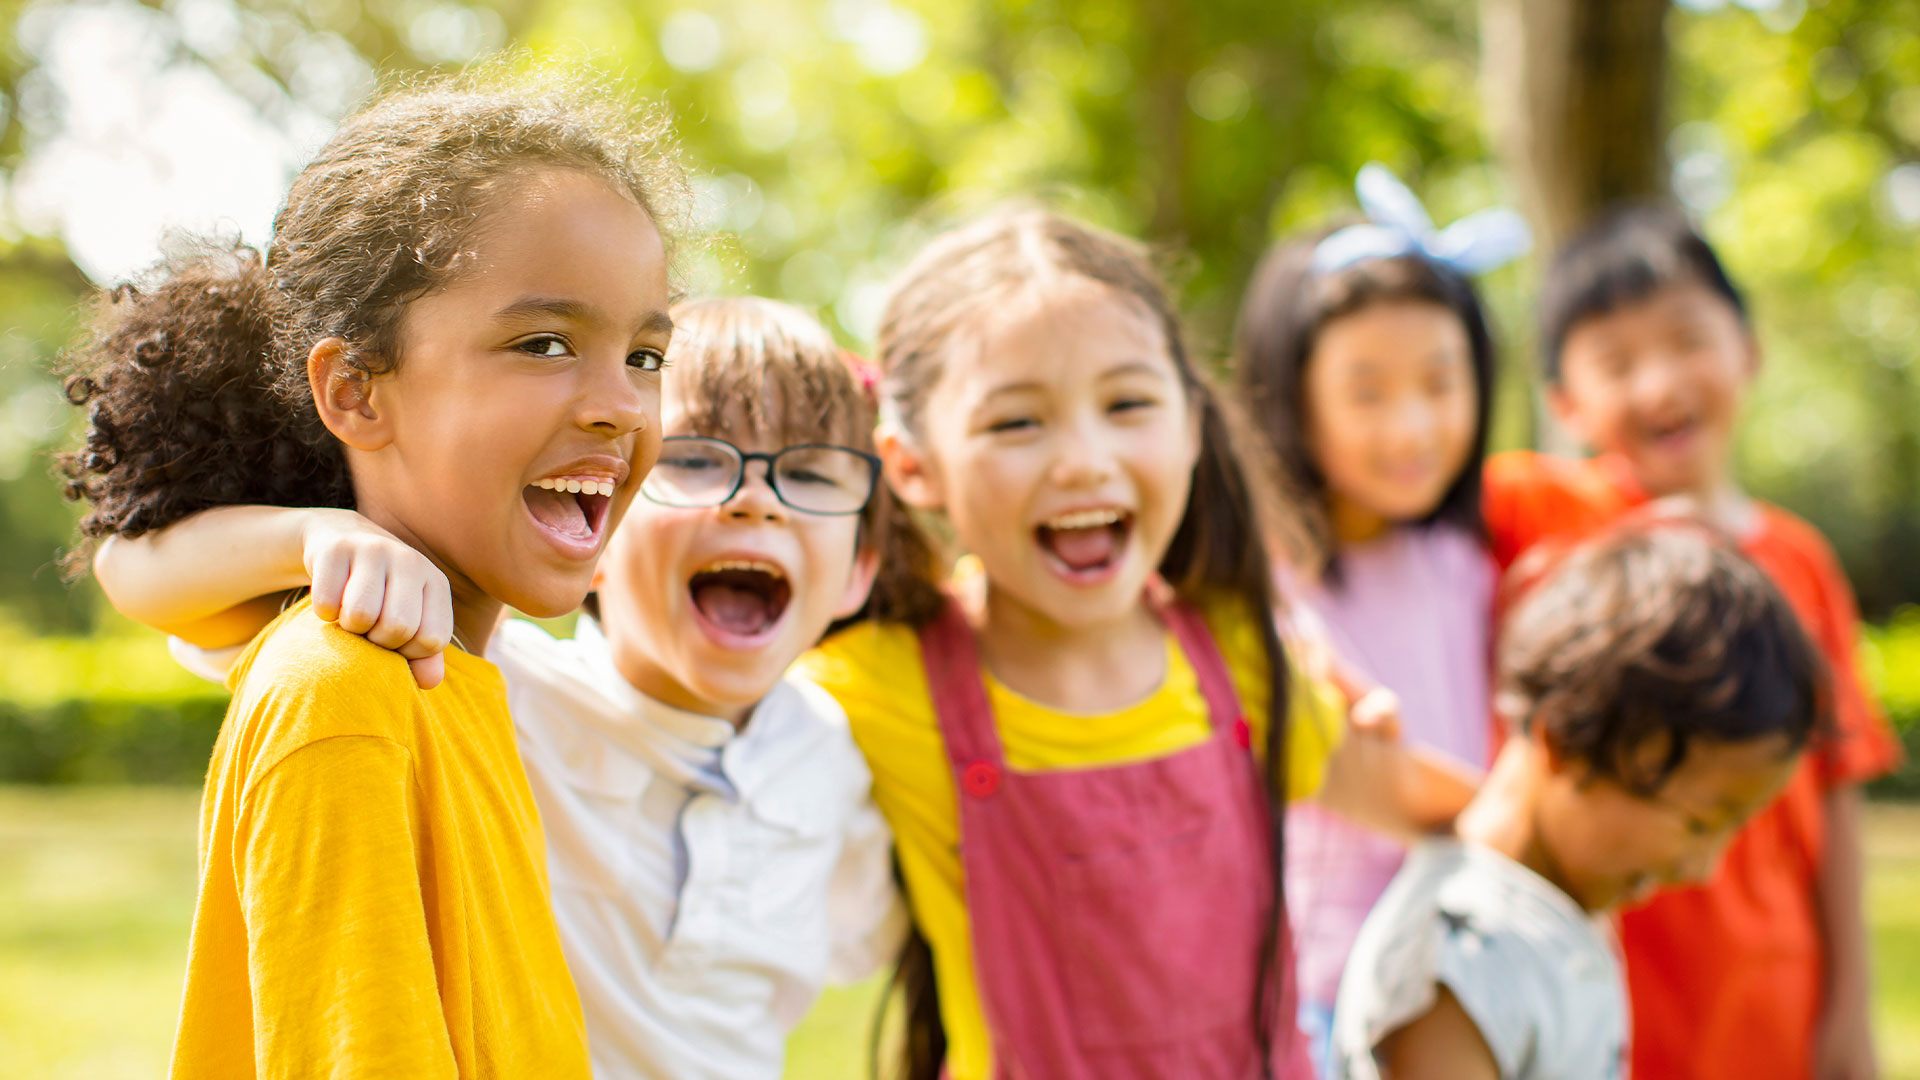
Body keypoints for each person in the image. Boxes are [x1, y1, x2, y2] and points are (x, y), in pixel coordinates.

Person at [91, 298, 912, 1079]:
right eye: (696, 462)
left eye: (811, 472)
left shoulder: (834, 756)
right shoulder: (482, 681)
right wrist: (313, 537)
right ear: (591, 528)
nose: (755, 502)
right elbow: (129, 570)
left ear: (859, 572)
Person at [60, 72, 684, 1078]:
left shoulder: (465, 668)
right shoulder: (344, 695)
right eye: (543, 343)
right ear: (354, 392)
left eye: (646, 356)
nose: (621, 405)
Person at [799, 206, 1478, 1080]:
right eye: (1016, 423)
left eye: (1127, 404)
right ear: (912, 464)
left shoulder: (1243, 656)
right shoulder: (873, 688)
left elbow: (1423, 804)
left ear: (1191, 425)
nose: (1083, 459)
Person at [1483, 206, 1902, 1080]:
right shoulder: (1541, 510)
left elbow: (1835, 800)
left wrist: (1851, 1016)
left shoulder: (1804, 566)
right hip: (1593, 990)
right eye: (1615, 363)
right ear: (1565, 403)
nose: (1659, 383)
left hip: (1769, 996)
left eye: (1686, 340)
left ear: (1748, 349)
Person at [1333, 524, 1824, 1080]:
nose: (1702, 868)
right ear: (1564, 742)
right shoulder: (1458, 962)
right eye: (1697, 823)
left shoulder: (1557, 912)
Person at [1233, 164, 1528, 1072]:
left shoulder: (1466, 561)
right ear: (1293, 395)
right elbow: (1371, 781)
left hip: (1467, 985)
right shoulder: (1264, 587)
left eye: (1440, 383)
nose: (1411, 428)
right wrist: (1547, 845)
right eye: (1367, 392)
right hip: (1329, 1001)